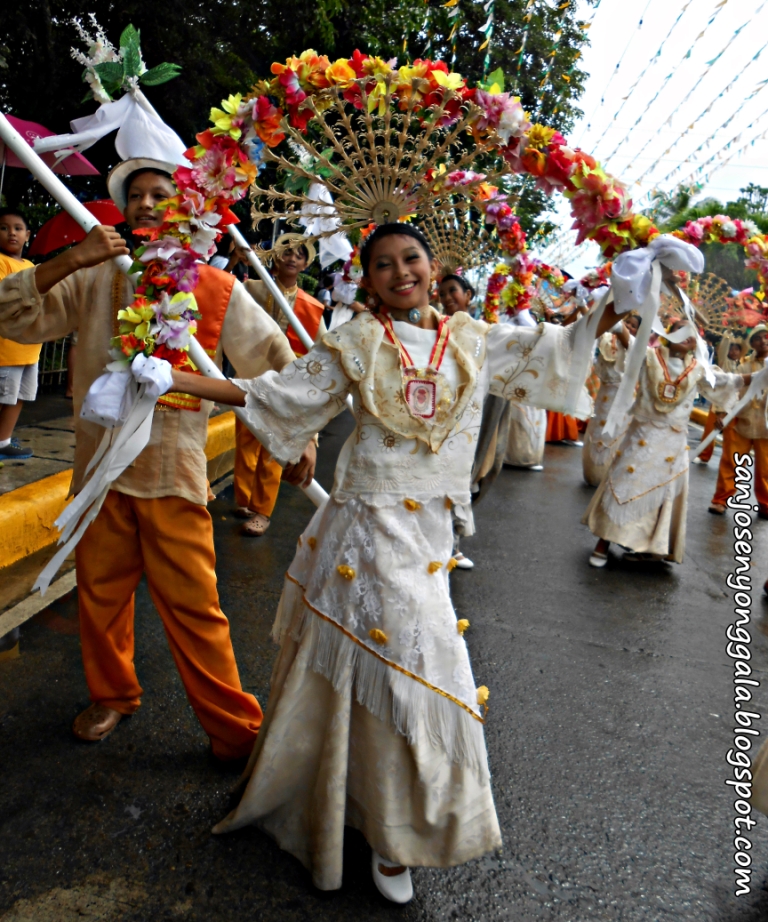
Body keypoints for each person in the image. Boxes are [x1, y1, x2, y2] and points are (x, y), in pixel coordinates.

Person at [161, 224, 619, 902]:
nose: (400, 272)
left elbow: (562, 350)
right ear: (368, 278)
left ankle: (359, 805)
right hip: (365, 529)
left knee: (380, 666)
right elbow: (277, 393)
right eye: (383, 264)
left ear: (433, 266)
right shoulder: (354, 340)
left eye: (411, 259)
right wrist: (172, 377)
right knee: (418, 666)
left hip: (431, 535)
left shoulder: (473, 338)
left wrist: (620, 295)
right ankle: (396, 834)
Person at [0, 158, 315, 756]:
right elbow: (11, 314)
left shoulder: (215, 287)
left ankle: (235, 729)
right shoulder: (96, 274)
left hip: (173, 474)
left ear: (183, 206)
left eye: (160, 194)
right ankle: (112, 694)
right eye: (136, 195)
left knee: (196, 608)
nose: (146, 204)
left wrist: (304, 434)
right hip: (100, 473)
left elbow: (278, 362)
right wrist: (72, 259)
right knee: (99, 597)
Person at [584, 319, 750, 567]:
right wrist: (617, 322)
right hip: (641, 435)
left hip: (673, 443)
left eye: (692, 333)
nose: (686, 334)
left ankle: (648, 547)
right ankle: (603, 543)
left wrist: (760, 376)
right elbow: (629, 342)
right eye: (680, 328)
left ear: (695, 343)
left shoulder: (698, 369)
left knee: (661, 493)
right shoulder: (649, 356)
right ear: (668, 334)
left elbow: (729, 381)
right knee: (625, 483)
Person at [232, 234, 325, 537]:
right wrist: (236, 259)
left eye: (299, 254)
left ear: (306, 264)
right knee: (246, 440)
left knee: (273, 448)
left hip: (286, 386)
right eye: (287, 252)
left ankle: (262, 510)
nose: (292, 258)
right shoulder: (252, 288)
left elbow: (321, 350)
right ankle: (244, 499)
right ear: (276, 256)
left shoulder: (313, 307)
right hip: (250, 376)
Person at [709, 325, 768, 517]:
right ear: (752, 344)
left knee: (766, 468)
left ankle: (766, 504)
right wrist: (721, 412)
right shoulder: (743, 366)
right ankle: (720, 500)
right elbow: (731, 389)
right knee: (731, 462)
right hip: (741, 420)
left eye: (766, 336)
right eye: (757, 338)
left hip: (766, 425)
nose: (763, 341)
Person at [581, 313, 640, 486]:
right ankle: (593, 472)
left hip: (623, 400)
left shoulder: (638, 347)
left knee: (614, 434)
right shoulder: (607, 339)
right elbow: (592, 323)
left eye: (634, 326)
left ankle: (610, 476)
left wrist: (620, 327)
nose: (629, 326)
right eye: (627, 322)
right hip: (603, 397)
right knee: (597, 433)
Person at [0, 209, 38, 461]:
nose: (11, 233)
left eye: (17, 228)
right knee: (3, 396)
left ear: (27, 235)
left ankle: (3, 441)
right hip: (7, 348)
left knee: (19, 397)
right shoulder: (1, 262)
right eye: (3, 228)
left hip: (30, 347)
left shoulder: (31, 266)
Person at [693, 335, 744, 466]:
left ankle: (729, 463)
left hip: (734, 405)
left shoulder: (742, 366)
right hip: (718, 402)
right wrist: (728, 335)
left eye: (736, 349)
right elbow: (723, 350)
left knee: (731, 435)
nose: (733, 352)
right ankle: (704, 455)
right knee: (710, 429)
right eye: (731, 349)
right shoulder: (723, 362)